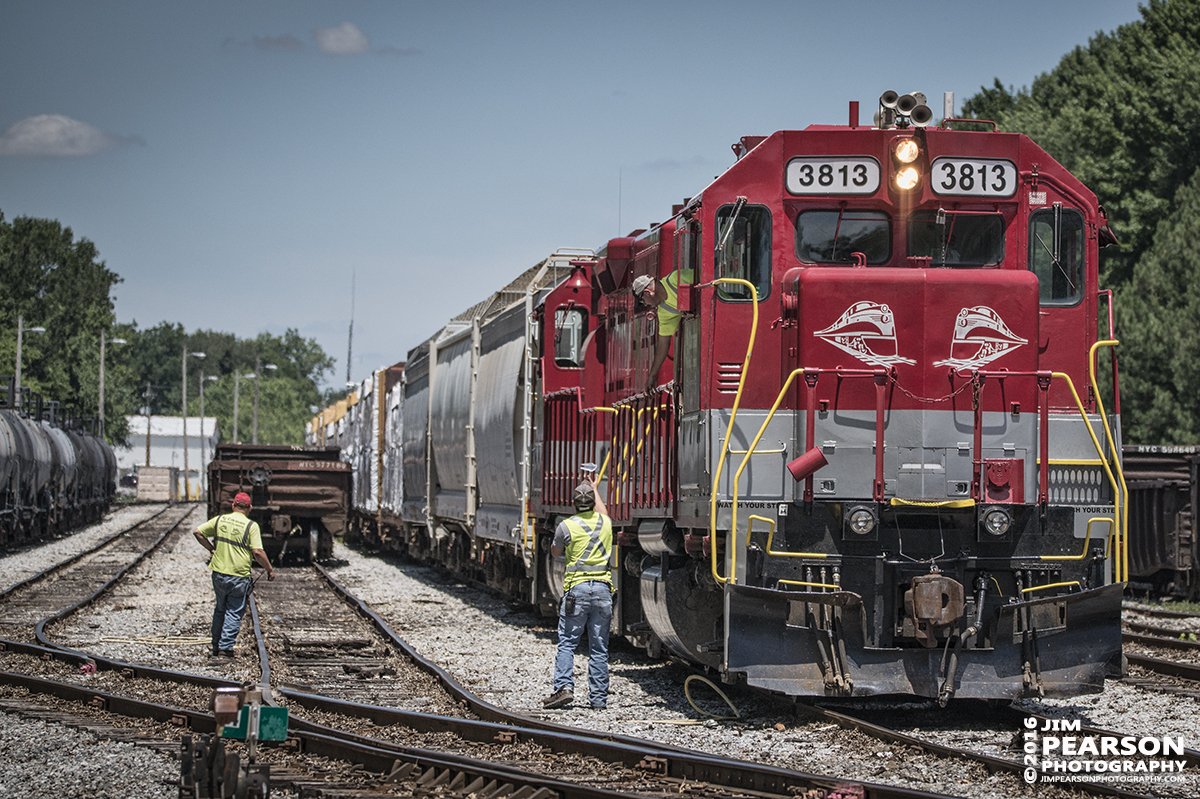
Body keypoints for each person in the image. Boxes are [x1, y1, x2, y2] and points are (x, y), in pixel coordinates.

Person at [543, 473, 614, 710]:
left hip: (577, 591)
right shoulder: (606, 522)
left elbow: (555, 552)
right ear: (593, 503)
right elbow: (603, 512)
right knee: (599, 647)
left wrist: (559, 544)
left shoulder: (566, 526)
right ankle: (598, 699)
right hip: (603, 590)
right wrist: (595, 488)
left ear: (574, 503)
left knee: (567, 643)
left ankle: (564, 688)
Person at [192, 492, 274, 657]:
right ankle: (226, 647)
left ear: (233, 506)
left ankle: (216, 645)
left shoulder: (220, 520)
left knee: (220, 609)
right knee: (234, 611)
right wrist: (269, 569)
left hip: (219, 573)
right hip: (238, 575)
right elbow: (257, 552)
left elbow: (197, 532)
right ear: (249, 508)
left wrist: (211, 549)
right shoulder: (251, 526)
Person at [633, 271, 685, 393]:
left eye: (642, 301)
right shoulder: (664, 311)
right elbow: (663, 344)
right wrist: (652, 375)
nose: (645, 304)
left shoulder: (676, 279)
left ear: (647, 292)